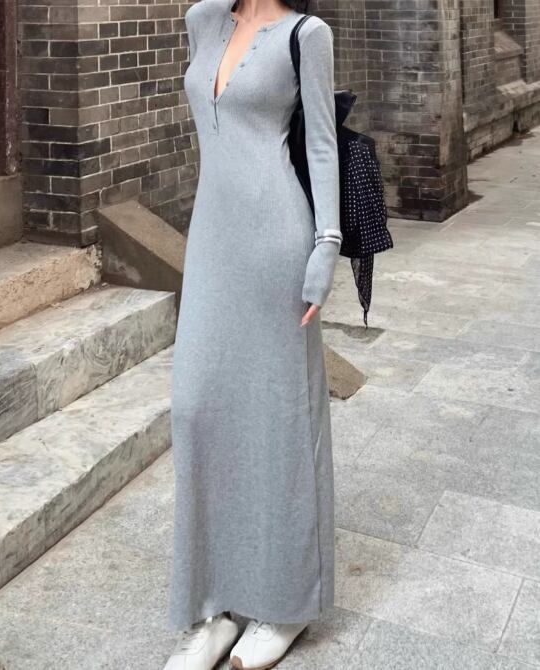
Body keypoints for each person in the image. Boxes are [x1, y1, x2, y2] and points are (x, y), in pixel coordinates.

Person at [164, 0, 341, 666]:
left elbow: (320, 143)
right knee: (195, 409)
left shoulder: (306, 35)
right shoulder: (202, 19)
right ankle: (209, 608)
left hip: (277, 239)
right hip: (211, 241)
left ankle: (285, 604)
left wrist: (326, 246)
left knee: (279, 417)